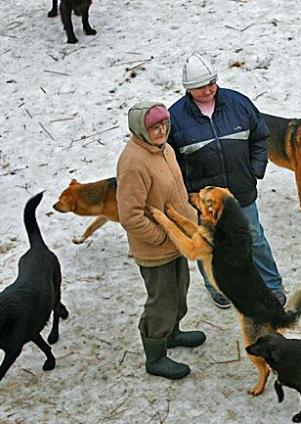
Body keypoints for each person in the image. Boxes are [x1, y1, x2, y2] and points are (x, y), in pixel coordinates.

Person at [167, 52, 287, 308]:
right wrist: (188, 193)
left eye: (211, 83)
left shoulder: (238, 104)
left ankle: (272, 285)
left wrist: (255, 169)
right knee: (208, 246)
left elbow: (260, 136)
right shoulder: (175, 118)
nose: (208, 91)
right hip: (203, 202)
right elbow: (170, 161)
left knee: (254, 238)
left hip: (240, 192)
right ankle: (216, 286)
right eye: (200, 88)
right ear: (188, 89)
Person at [116, 101, 206, 380]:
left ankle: (172, 333)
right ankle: (155, 355)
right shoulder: (133, 162)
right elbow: (130, 215)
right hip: (156, 248)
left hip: (177, 241)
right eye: (154, 126)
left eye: (164, 124)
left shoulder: (164, 149)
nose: (161, 130)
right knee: (162, 300)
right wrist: (160, 237)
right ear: (140, 129)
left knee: (179, 292)